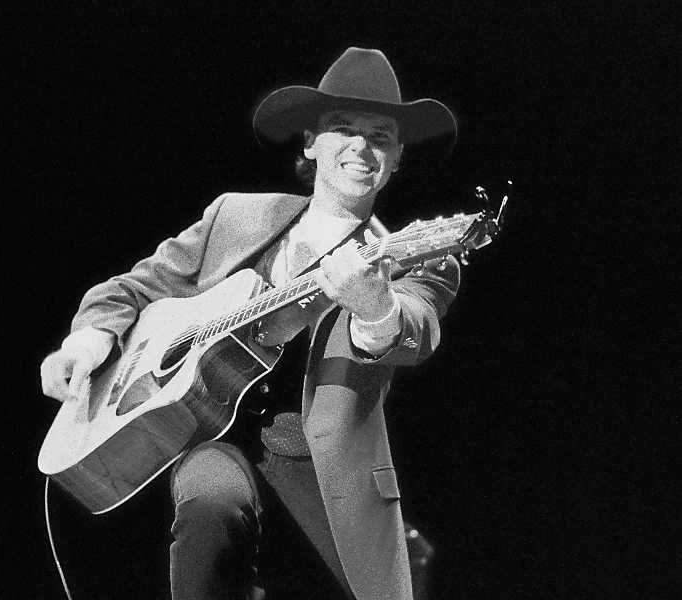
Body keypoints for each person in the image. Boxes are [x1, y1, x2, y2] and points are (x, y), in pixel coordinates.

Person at [40, 47, 460, 600]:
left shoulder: (416, 258)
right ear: (310, 142)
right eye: (343, 129)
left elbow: (414, 329)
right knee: (210, 507)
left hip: (323, 465)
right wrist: (87, 343)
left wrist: (373, 307)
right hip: (214, 438)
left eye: (380, 136)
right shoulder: (236, 215)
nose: (361, 147)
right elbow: (134, 289)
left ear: (398, 157)